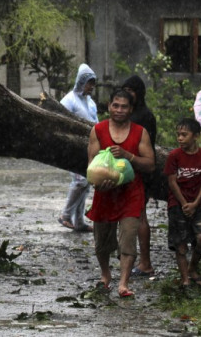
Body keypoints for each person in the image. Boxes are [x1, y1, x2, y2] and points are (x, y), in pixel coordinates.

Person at [86, 89, 156, 298]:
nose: (119, 110)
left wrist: (128, 156)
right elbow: (91, 165)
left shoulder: (139, 132)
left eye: (124, 106)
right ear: (109, 106)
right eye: (115, 105)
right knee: (102, 242)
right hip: (105, 193)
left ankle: (123, 283)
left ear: (131, 109)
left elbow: (151, 164)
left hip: (131, 193)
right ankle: (106, 275)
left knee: (128, 238)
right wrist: (99, 183)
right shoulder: (97, 130)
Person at [165, 118, 201, 288]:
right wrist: (185, 203)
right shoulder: (174, 156)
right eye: (178, 134)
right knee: (180, 243)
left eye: (184, 135)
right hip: (177, 204)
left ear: (196, 136)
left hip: (198, 204)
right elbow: (172, 182)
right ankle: (185, 278)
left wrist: (195, 203)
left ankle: (193, 268)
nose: (180, 138)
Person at [121, 75, 158, 278]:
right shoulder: (133, 113)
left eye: (131, 90)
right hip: (131, 169)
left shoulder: (142, 116)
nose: (127, 94)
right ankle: (135, 260)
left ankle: (145, 263)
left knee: (140, 216)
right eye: (124, 89)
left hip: (140, 170)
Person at [58, 64, 98, 232]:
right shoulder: (69, 100)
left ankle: (79, 221)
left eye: (93, 84)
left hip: (88, 147)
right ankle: (65, 215)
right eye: (89, 83)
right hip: (72, 147)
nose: (91, 87)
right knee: (80, 181)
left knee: (86, 182)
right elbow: (59, 120)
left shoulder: (90, 102)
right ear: (81, 82)